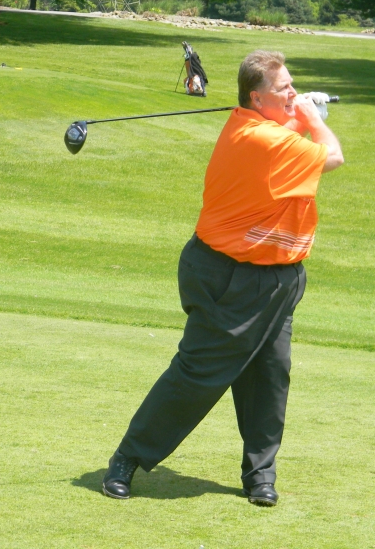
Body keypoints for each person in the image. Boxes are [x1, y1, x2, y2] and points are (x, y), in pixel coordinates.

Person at [101, 50, 344, 507]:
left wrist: (296, 112)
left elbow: (285, 131)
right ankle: (127, 458)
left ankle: (260, 476)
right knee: (199, 374)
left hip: (278, 277)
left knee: (269, 376)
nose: (292, 93)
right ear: (256, 98)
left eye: (293, 85)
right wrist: (313, 117)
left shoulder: (255, 127)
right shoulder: (258, 139)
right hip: (229, 276)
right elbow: (333, 156)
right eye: (283, 89)